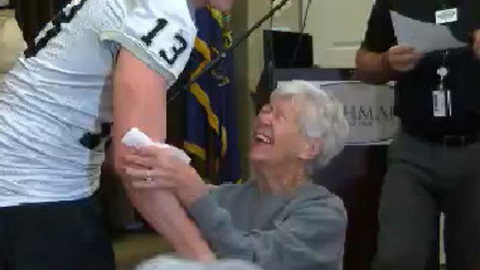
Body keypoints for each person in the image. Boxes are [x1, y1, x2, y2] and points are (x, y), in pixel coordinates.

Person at [0, 0, 234, 269]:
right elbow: (136, 161)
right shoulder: (164, 11)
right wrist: (205, 259)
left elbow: (116, 155)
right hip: (35, 192)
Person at [123, 80, 349, 270]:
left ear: (309, 148)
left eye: (279, 117)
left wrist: (194, 193)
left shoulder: (326, 213)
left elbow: (251, 261)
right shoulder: (228, 196)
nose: (263, 119)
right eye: (266, 109)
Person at [356, 0, 480, 269]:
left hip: (475, 151)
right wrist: (385, 61)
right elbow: (363, 64)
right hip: (413, 152)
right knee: (398, 257)